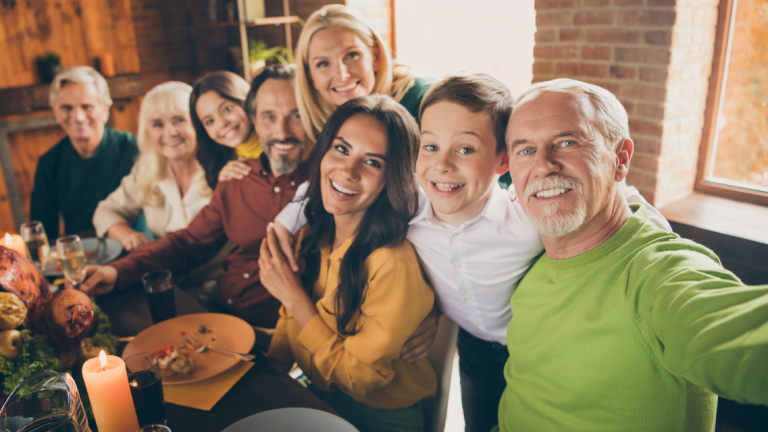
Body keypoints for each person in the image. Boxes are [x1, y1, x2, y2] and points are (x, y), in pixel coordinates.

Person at [273, 72, 672, 432]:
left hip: (532, 348)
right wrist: (281, 228)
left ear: (502, 160)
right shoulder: (409, 205)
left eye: (465, 150)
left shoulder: (524, 218)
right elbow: (319, 188)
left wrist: (656, 231)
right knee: (477, 421)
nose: (442, 165)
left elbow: (619, 193)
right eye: (429, 146)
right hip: (474, 349)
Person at [497, 78, 768, 431]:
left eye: (568, 142)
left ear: (620, 159)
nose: (544, 164)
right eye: (525, 150)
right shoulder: (529, 260)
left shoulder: (657, 272)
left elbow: (733, 331)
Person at [76, 65, 312, 327]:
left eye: (296, 115)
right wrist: (117, 271)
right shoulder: (236, 176)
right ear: (256, 119)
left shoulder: (325, 183)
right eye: (269, 117)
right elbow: (187, 243)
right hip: (220, 308)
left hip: (275, 327)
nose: (280, 131)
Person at [262, 94, 436, 432]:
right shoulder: (313, 228)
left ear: (393, 178)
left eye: (372, 162)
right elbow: (288, 319)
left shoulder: (391, 263)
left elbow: (360, 379)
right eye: (341, 149)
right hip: (319, 395)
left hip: (380, 416)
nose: (347, 170)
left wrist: (293, 296)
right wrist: (271, 372)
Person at [217, 4, 434, 183]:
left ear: (375, 56)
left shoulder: (421, 100)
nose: (342, 74)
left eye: (351, 55)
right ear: (310, 75)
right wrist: (239, 168)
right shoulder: (324, 119)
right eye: (322, 64)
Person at [92, 82, 212, 251]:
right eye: (158, 124)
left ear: (198, 123)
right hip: (168, 273)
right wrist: (127, 235)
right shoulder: (146, 170)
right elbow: (104, 212)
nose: (170, 132)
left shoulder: (223, 169)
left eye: (179, 120)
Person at [31, 66, 138, 238]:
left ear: (104, 109)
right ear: (55, 111)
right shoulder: (49, 163)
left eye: (86, 106)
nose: (78, 117)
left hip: (135, 251)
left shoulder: (135, 149)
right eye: (66, 108)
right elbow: (42, 233)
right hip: (79, 259)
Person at [189, 70, 263, 189]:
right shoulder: (222, 168)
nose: (222, 124)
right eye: (210, 121)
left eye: (227, 109)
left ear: (246, 101)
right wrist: (225, 186)